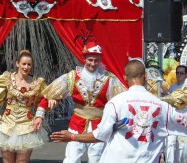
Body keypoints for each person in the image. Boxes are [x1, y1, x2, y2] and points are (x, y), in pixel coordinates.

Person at [50, 59, 187, 163]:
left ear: (125, 77)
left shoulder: (115, 103)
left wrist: (73, 137)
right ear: (145, 76)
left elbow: (100, 135)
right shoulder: (163, 107)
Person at [42, 35, 126, 163]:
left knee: (97, 159)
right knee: (71, 159)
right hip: (77, 124)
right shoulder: (72, 77)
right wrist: (48, 104)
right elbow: (49, 93)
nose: (93, 64)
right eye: (90, 60)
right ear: (84, 59)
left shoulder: (110, 79)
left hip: (100, 125)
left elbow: (123, 100)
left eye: (96, 60)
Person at [0, 49, 50, 163]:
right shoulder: (7, 79)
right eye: (23, 64)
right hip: (6, 125)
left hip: (27, 126)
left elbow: (47, 97)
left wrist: (49, 103)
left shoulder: (37, 83)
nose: (26, 67)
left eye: (29, 64)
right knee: (7, 160)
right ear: (17, 64)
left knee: (23, 161)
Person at [164, 65, 187, 163]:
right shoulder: (172, 87)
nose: (179, 75)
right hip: (172, 124)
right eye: (177, 73)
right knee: (169, 148)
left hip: (183, 125)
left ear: (186, 75)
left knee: (182, 153)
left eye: (181, 73)